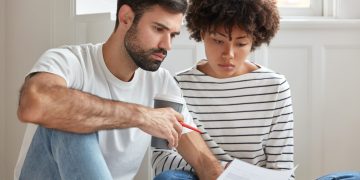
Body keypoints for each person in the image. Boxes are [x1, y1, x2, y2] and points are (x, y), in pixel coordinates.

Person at [14, 0, 223, 179]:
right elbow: (34, 104)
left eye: (173, 35)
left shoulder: (161, 83)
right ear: (126, 18)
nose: (167, 45)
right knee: (66, 119)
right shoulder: (69, 61)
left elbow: (202, 160)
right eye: (158, 29)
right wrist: (141, 116)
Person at [152, 0, 295, 179]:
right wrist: (215, 169)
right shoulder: (176, 85)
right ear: (202, 33)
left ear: (254, 40)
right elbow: (161, 161)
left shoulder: (275, 87)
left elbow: (282, 168)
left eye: (241, 44)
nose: (229, 54)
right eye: (218, 41)